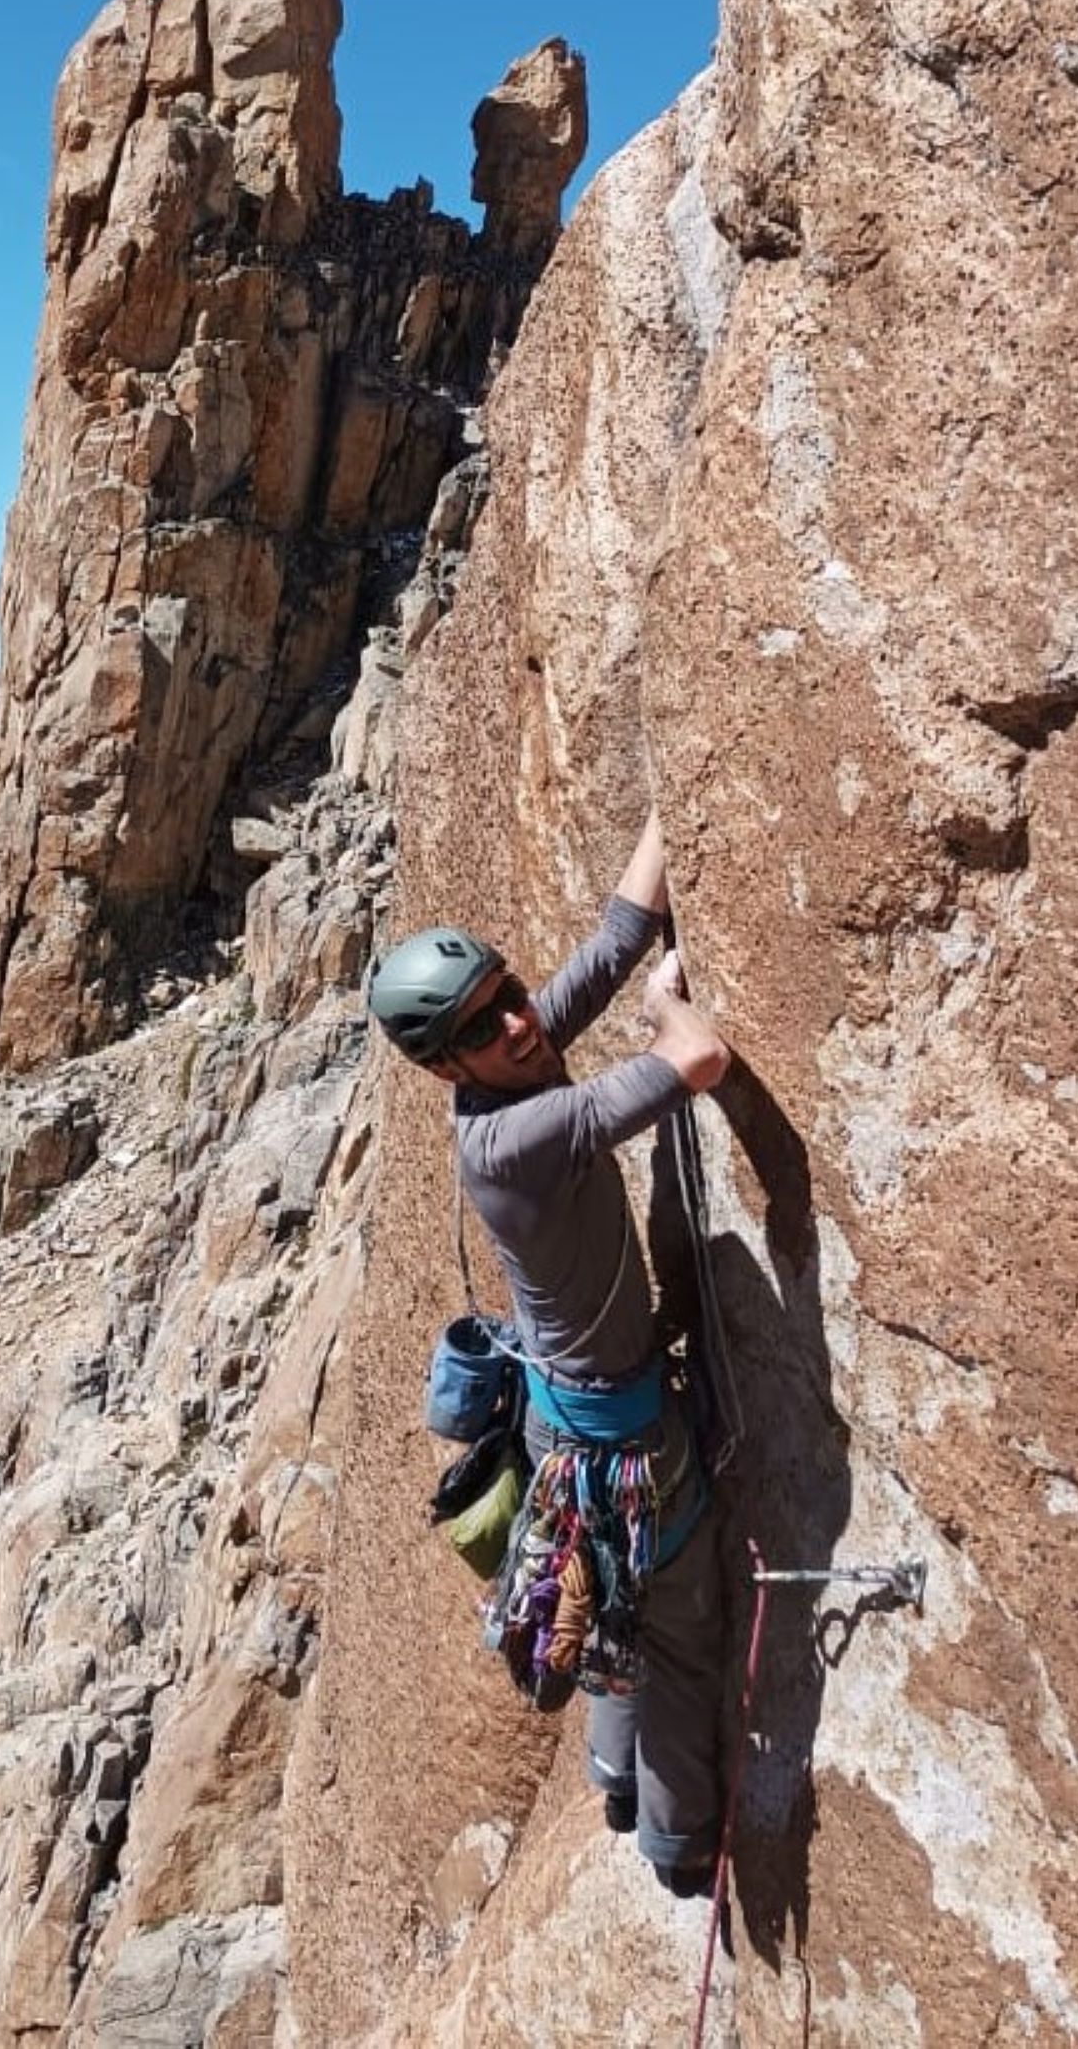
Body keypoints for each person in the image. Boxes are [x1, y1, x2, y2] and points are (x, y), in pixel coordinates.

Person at [368, 810, 732, 1896]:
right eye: (487, 1025)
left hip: (568, 1422)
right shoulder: (514, 1139)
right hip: (617, 1437)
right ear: (445, 1068)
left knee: (606, 1599)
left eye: (513, 993)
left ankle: (614, 1778)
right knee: (671, 1630)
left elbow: (618, 935)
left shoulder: (512, 1066)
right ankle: (677, 1846)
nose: (522, 1022)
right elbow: (697, 1056)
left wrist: (680, 797)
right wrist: (669, 1010)